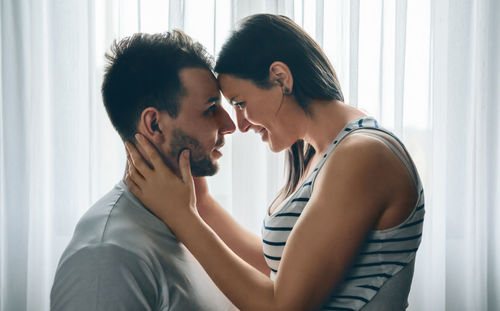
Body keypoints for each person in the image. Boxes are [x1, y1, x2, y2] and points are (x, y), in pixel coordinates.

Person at [125, 14, 425, 311]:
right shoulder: (327, 152)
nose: (240, 124)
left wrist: (183, 217)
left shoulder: (361, 156)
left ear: (280, 77)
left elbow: (281, 306)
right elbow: (280, 268)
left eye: (240, 103)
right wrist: (201, 203)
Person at [50, 30, 237, 311]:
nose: (230, 125)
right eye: (211, 108)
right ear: (154, 125)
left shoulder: (188, 220)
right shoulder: (107, 257)